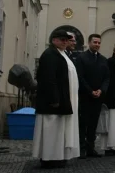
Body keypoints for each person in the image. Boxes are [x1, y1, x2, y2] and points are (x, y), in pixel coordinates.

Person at [32, 30, 80, 169]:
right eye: (62, 39)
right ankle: (48, 158)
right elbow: (48, 78)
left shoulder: (62, 54)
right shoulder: (49, 55)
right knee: (50, 130)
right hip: (52, 102)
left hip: (63, 100)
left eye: (66, 40)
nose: (65, 42)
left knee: (58, 131)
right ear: (54, 40)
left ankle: (58, 156)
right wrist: (54, 99)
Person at [75, 34, 110, 159]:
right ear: (89, 43)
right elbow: (80, 77)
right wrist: (90, 91)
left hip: (98, 98)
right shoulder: (81, 58)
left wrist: (101, 90)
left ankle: (91, 148)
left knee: (93, 124)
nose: (97, 45)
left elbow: (107, 78)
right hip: (85, 96)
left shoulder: (103, 60)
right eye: (95, 42)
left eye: (99, 43)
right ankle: (82, 149)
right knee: (83, 123)